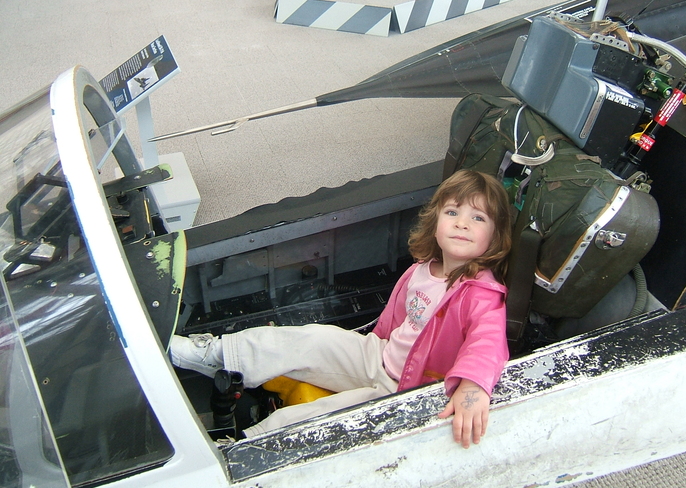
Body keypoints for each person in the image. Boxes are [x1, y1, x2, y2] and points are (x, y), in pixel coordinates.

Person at [170, 169, 513, 448]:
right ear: (435, 223)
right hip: (378, 355)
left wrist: (473, 385)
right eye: (452, 212)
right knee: (308, 340)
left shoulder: (482, 294)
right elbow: (395, 323)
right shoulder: (424, 267)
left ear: (495, 237)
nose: (462, 223)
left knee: (319, 417)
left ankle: (243, 445)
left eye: (478, 218)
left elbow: (489, 342)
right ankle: (216, 354)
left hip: (404, 389)